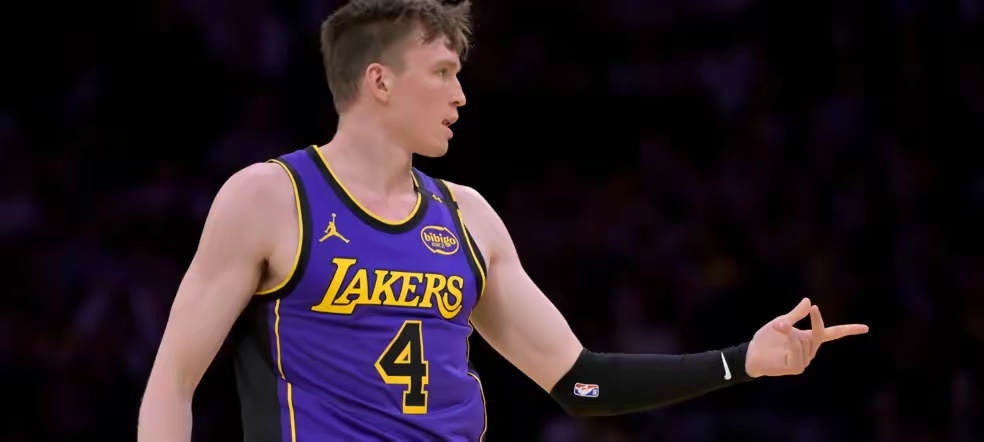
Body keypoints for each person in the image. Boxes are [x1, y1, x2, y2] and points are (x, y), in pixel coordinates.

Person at [137, 0, 870, 440]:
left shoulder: (470, 218)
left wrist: (743, 360)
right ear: (379, 81)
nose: (461, 94)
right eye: (443, 72)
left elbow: (582, 383)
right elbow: (173, 378)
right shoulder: (270, 197)